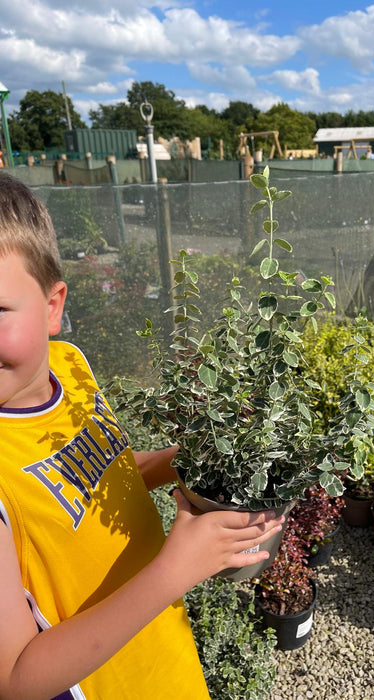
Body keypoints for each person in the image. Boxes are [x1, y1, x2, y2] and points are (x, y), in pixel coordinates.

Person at [0, 172, 284, 699]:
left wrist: (180, 460)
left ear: (52, 307)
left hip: (165, 660)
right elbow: (15, 681)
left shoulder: (70, 367)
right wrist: (176, 570)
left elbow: (107, 472)